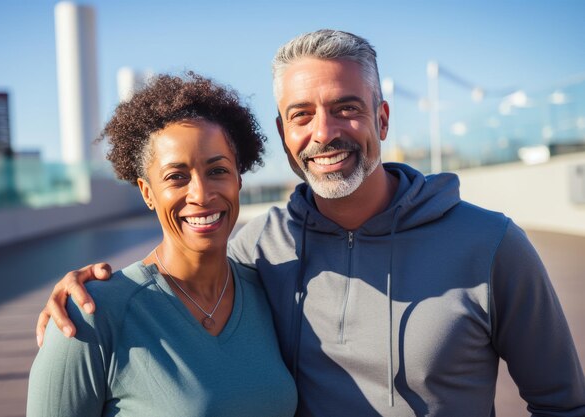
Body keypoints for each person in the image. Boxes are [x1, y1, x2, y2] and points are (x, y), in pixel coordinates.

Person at [36, 30, 585, 416]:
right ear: (282, 133)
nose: (323, 132)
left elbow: (564, 403)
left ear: (383, 117)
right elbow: (166, 280)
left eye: (346, 107)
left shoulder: (490, 244)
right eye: (302, 114)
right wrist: (82, 297)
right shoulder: (258, 251)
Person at [26, 72, 298, 417]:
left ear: (238, 180)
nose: (200, 194)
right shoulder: (90, 316)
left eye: (217, 171)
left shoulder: (269, 293)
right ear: (147, 192)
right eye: (176, 177)